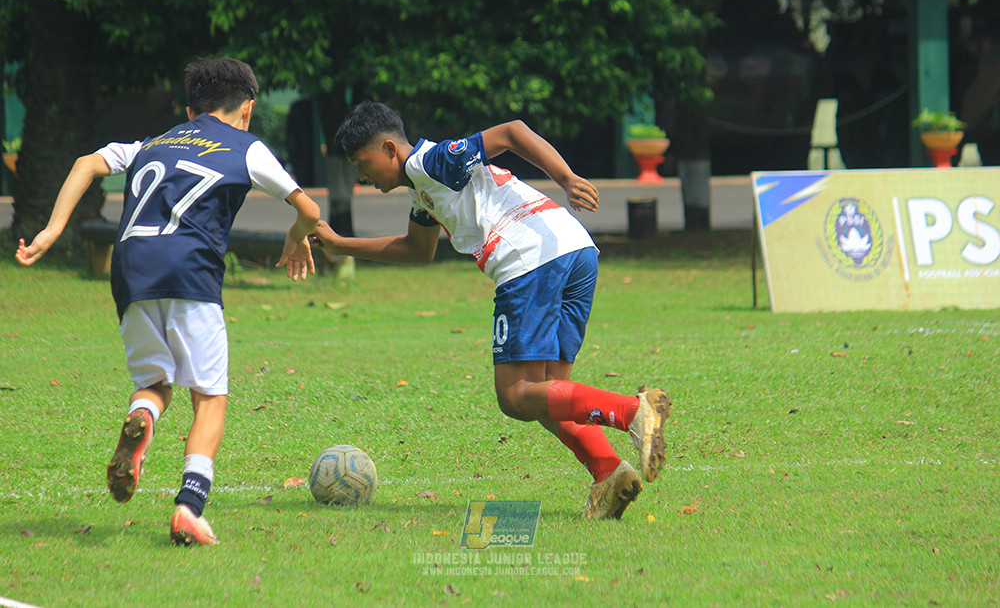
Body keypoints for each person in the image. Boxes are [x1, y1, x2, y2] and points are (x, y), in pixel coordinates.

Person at [310, 100, 671, 520]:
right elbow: (417, 249)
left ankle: (633, 411)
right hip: (574, 249)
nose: (361, 176)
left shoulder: (432, 162)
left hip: (529, 260)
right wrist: (340, 244)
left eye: (362, 162)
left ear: (389, 148)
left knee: (516, 396)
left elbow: (512, 132)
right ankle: (609, 474)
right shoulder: (423, 189)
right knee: (546, 398)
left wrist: (567, 177)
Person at [16, 57, 321, 545]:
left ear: (188, 109)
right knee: (210, 397)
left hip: (130, 268)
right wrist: (298, 235)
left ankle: (143, 418)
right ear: (248, 108)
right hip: (189, 270)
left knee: (154, 382)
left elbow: (85, 164)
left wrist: (52, 230)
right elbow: (309, 207)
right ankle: (189, 508)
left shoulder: (153, 143)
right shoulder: (246, 146)